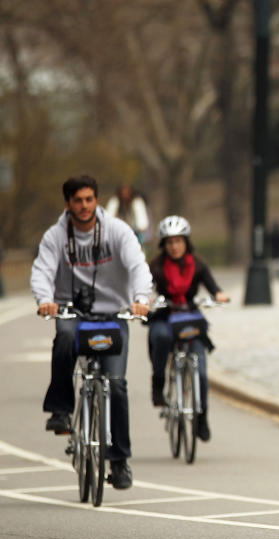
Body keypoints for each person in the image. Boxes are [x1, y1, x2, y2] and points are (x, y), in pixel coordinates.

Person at [31, 175, 153, 490]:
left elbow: (138, 265)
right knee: (66, 338)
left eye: (89, 199)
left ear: (96, 200)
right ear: (68, 204)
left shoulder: (117, 231)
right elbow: (43, 270)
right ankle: (60, 409)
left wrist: (141, 299)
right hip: (72, 311)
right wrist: (45, 300)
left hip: (113, 315)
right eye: (77, 201)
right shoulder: (55, 236)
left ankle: (121, 462)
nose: (84, 206)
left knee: (116, 385)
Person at [147, 215, 229, 442]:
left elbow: (213, 287)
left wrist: (219, 295)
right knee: (161, 337)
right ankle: (158, 384)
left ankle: (201, 418)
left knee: (201, 371)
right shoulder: (155, 267)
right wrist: (145, 302)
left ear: (186, 242)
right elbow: (143, 290)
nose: (175, 246)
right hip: (165, 316)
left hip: (188, 318)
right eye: (170, 242)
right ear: (164, 245)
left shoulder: (198, 265)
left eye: (179, 241)